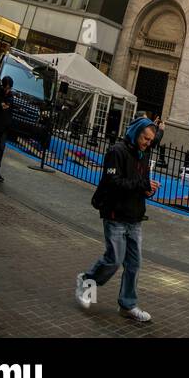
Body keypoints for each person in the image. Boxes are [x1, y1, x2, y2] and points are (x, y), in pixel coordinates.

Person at [76, 116, 160, 322]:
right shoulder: (116, 152)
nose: (148, 143)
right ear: (135, 132)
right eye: (145, 138)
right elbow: (113, 182)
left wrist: (148, 190)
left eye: (150, 140)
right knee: (113, 260)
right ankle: (86, 281)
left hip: (135, 215)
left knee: (134, 263)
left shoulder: (143, 153)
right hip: (115, 213)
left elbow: (140, 182)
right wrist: (142, 186)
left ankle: (127, 305)